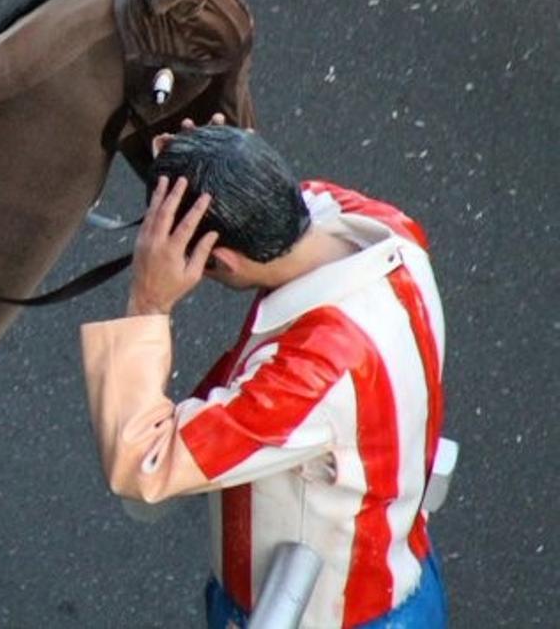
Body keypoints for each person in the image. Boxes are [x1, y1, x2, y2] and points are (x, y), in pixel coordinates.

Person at [81, 126, 448, 628]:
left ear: (224, 263)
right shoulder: (385, 228)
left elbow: (143, 464)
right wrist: (223, 156)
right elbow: (301, 193)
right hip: (398, 567)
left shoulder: (310, 374)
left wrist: (149, 302)